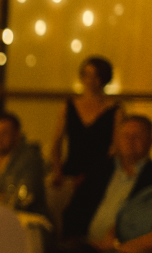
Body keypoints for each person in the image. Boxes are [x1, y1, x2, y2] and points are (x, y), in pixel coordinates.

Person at [48, 115, 152, 253]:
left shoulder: (150, 177)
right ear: (117, 140)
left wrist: (117, 242)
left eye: (137, 136)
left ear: (149, 141)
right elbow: (74, 210)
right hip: (89, 244)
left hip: (128, 249)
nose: (130, 141)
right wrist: (80, 240)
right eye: (125, 136)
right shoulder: (100, 170)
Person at [49, 56, 123, 186]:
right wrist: (57, 170)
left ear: (104, 79)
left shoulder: (115, 110)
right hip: (70, 174)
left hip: (100, 176)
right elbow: (57, 142)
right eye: (87, 75)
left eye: (96, 76)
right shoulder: (69, 105)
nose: (90, 80)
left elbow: (117, 147)